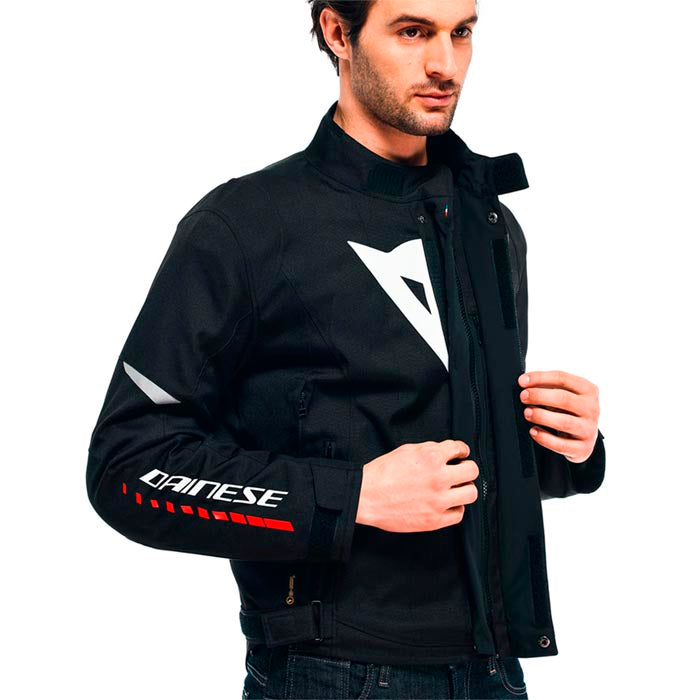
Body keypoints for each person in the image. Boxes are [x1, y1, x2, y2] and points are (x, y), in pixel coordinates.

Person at [85, 1, 606, 698]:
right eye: (412, 31)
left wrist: (565, 447)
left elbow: (455, 450)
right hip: (331, 674)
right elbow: (128, 469)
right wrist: (351, 496)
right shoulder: (245, 225)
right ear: (338, 33)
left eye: (461, 33)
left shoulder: (491, 226)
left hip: (494, 671)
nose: (444, 64)